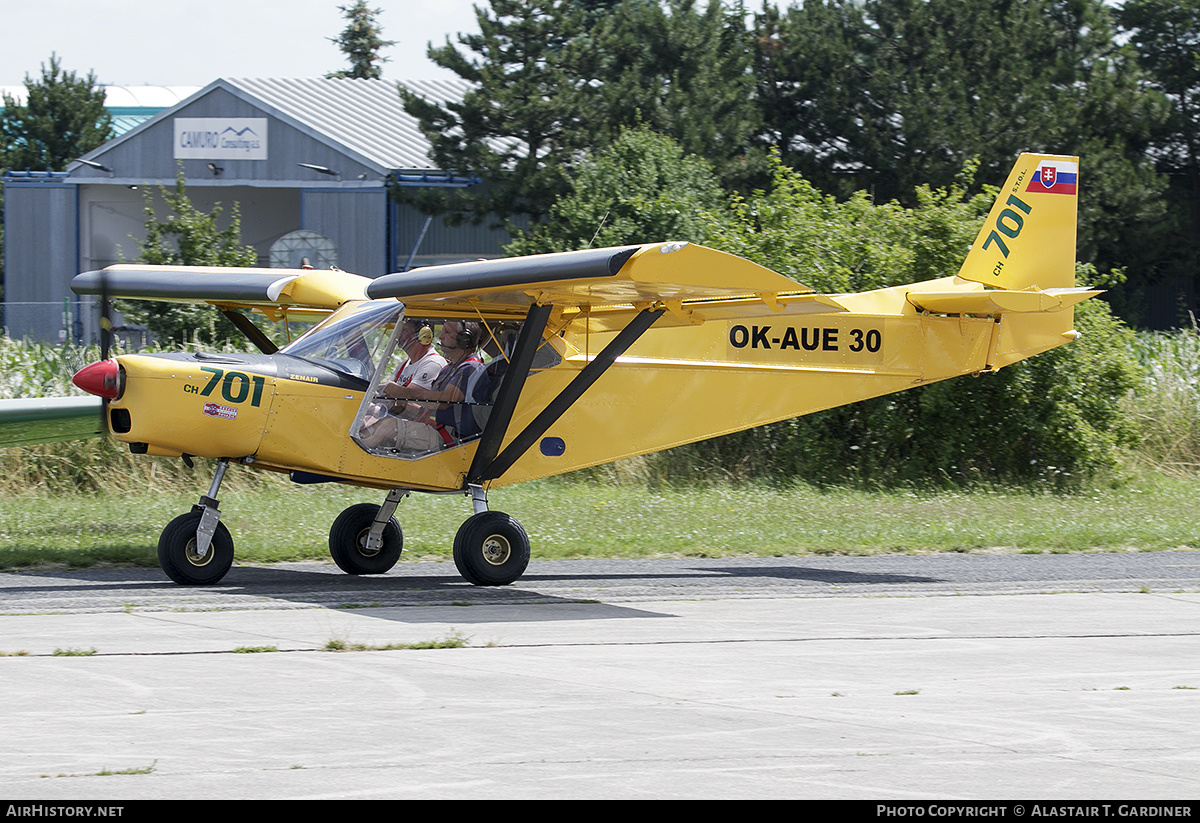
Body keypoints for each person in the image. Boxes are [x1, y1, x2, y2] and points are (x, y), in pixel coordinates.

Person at [358, 320, 485, 453]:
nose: (440, 336)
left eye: (447, 332)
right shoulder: (452, 367)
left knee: (387, 426)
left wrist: (403, 393)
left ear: (465, 339)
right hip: (436, 428)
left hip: (452, 437)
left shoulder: (470, 367)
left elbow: (445, 401)